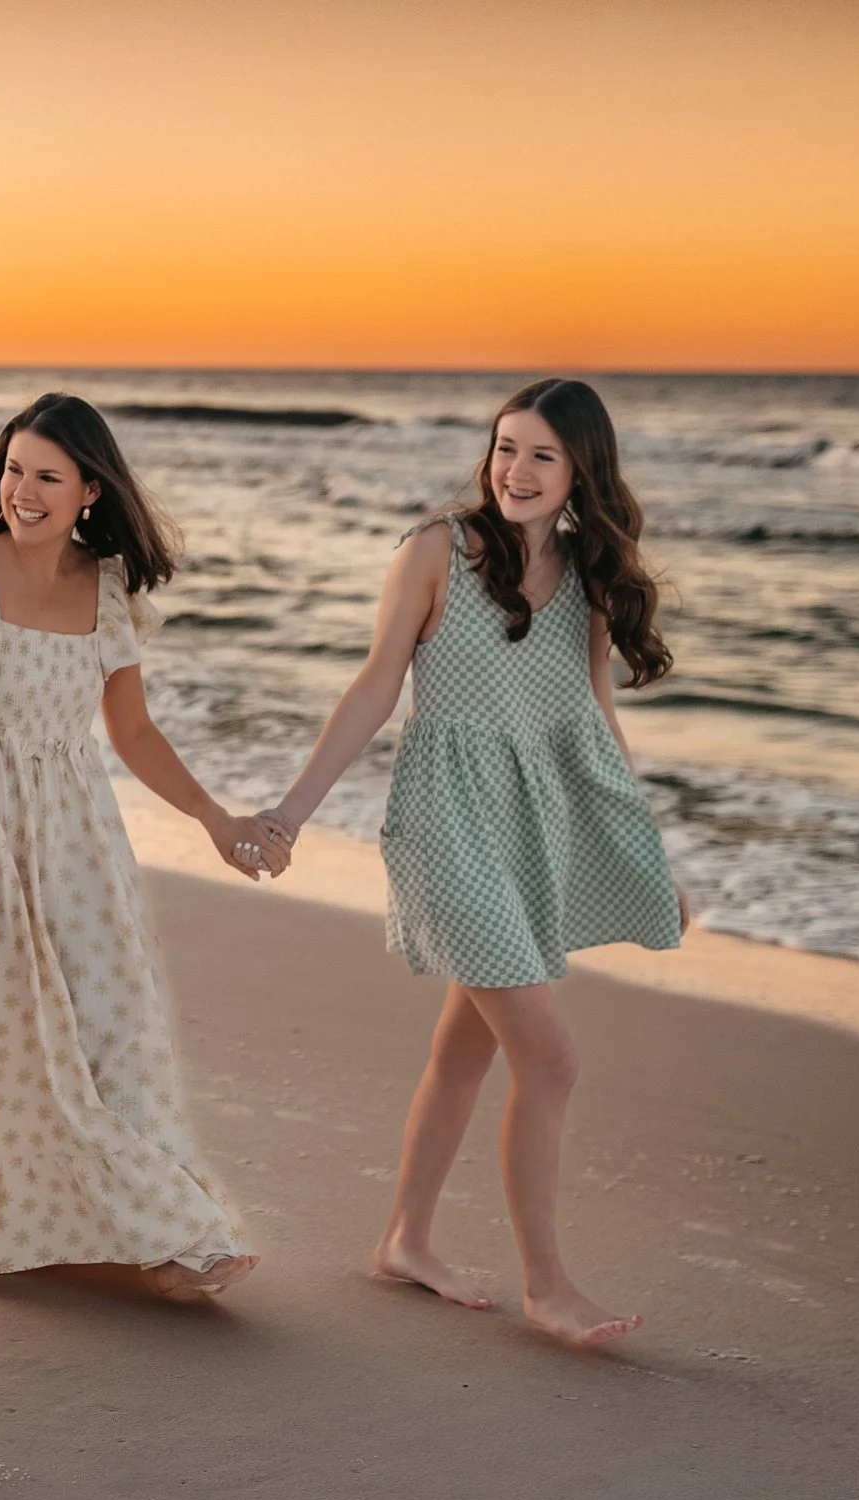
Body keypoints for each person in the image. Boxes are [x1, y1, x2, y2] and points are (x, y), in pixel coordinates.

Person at [259, 378, 689, 1348]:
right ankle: (548, 1285)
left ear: (581, 467)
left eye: (540, 453)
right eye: (504, 448)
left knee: (466, 1051)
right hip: (445, 824)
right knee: (552, 1056)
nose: (516, 471)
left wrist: (646, 851)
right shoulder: (435, 552)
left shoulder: (584, 573)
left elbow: (592, 712)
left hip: (527, 827)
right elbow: (374, 687)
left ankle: (404, 1239)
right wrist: (289, 813)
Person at [0, 392, 286, 1296]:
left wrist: (217, 819)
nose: (23, 490)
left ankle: (159, 1223)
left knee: (115, 1018)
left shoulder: (107, 588)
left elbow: (132, 733)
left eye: (47, 477)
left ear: (90, 490)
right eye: (14, 469)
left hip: (76, 830)